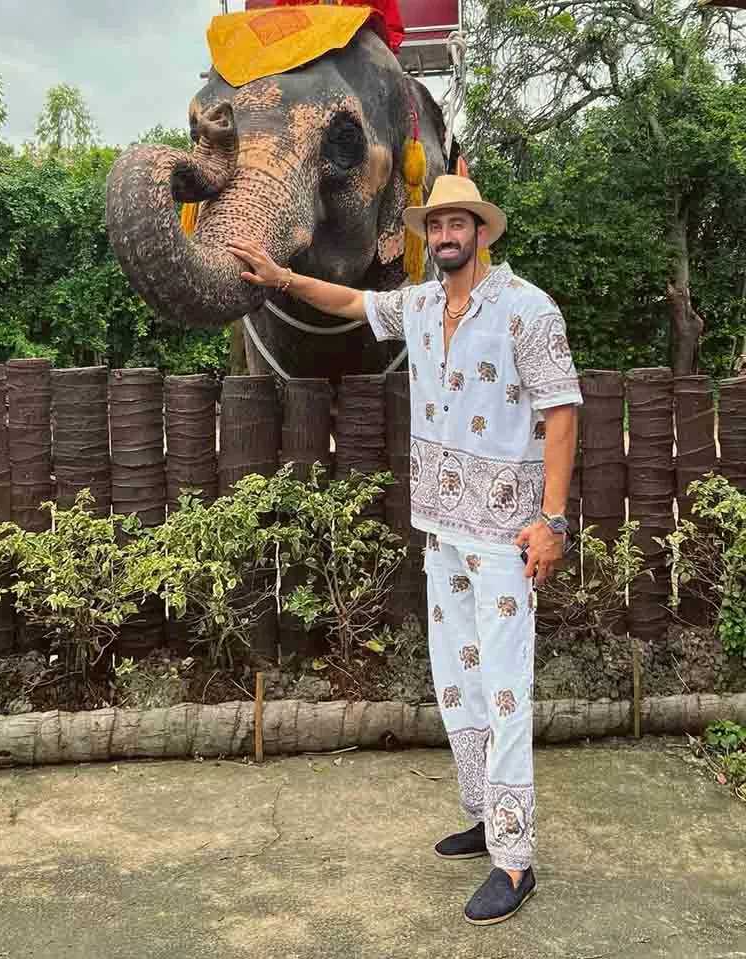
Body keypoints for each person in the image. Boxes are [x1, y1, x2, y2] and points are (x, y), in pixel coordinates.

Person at [232, 175, 582, 925]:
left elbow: (562, 415)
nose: (447, 235)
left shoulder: (529, 309)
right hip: (442, 531)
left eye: (459, 223)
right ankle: (485, 816)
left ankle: (515, 861)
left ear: (481, 231)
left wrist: (552, 521)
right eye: (437, 224)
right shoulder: (419, 305)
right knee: (457, 680)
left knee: (506, 689)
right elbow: (350, 303)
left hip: (505, 536)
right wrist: (282, 278)